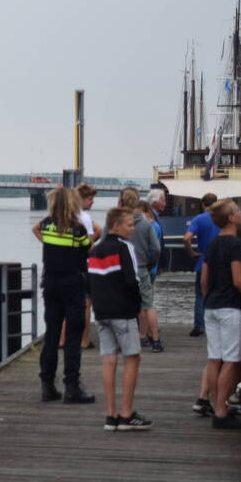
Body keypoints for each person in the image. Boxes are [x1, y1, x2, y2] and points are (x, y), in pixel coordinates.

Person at [89, 206, 150, 430]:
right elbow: (132, 281)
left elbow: (92, 283)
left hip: (102, 313)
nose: (132, 229)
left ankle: (110, 415)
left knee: (109, 360)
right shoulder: (125, 248)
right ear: (116, 225)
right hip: (123, 312)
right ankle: (126, 414)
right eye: (129, 224)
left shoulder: (95, 250)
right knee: (132, 358)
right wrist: (138, 309)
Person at [32, 187, 95, 403]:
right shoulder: (77, 229)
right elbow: (89, 248)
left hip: (50, 283)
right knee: (73, 336)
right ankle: (72, 387)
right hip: (72, 284)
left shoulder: (46, 224)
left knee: (52, 334)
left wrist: (49, 244)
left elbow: (36, 229)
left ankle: (47, 385)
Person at [200, 199, 241, 429]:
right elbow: (239, 281)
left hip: (211, 305)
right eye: (236, 210)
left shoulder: (212, 244)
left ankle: (215, 404)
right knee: (231, 361)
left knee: (215, 358)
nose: (240, 212)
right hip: (229, 307)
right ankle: (221, 411)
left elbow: (204, 280)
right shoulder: (236, 245)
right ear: (231, 218)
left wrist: (208, 299)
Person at [118, 188, 162, 352]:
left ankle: (123, 340)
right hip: (142, 268)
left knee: (122, 304)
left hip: (121, 270)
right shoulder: (145, 223)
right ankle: (155, 341)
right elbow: (156, 248)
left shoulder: (116, 223)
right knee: (147, 305)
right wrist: (151, 263)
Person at [59, 183, 102, 350]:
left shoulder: (64, 215)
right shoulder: (83, 217)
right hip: (82, 265)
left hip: (64, 263)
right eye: (90, 199)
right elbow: (89, 243)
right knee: (86, 303)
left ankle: (62, 339)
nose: (92, 202)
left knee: (66, 304)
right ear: (81, 200)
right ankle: (84, 340)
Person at [184, 192, 220, 337]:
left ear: (203, 204)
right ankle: (217, 325)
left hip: (203, 260)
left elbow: (186, 238)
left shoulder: (199, 219)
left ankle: (199, 326)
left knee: (200, 294)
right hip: (221, 261)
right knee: (218, 292)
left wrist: (191, 253)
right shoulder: (221, 218)